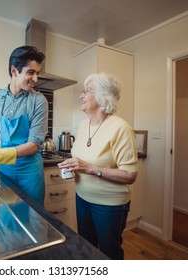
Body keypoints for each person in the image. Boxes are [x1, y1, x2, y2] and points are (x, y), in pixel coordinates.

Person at [57, 72, 138, 259]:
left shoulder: (121, 128)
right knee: (86, 247)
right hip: (83, 197)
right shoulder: (83, 124)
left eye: (87, 91)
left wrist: (90, 168)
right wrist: (72, 167)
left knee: (109, 252)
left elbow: (130, 175)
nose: (81, 95)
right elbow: (83, 157)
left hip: (109, 204)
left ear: (103, 97)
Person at [0, 46, 48, 206]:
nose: (36, 79)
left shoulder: (38, 101)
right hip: (7, 171)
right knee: (8, 216)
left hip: (30, 172)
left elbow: (34, 144)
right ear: (14, 71)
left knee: (33, 219)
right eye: (31, 72)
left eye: (37, 73)